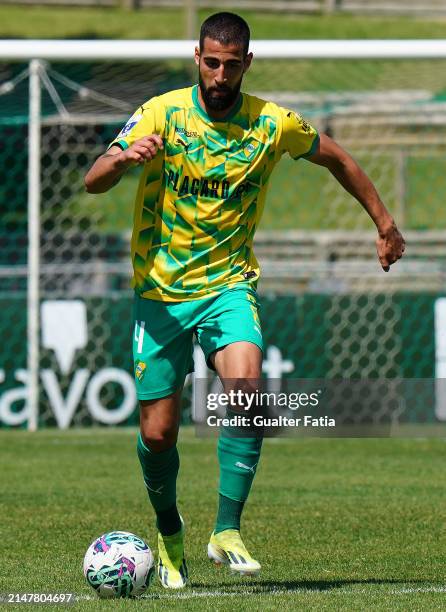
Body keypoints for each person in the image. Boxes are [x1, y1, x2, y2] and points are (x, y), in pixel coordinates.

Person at [84, 11, 405, 589]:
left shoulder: (272, 125)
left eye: (232, 65)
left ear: (246, 64)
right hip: (159, 294)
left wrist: (383, 223)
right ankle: (170, 533)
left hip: (230, 286)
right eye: (212, 62)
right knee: (158, 434)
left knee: (248, 389)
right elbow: (94, 179)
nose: (220, 74)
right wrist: (124, 159)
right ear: (198, 58)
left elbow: (338, 157)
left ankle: (226, 529)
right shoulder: (162, 113)